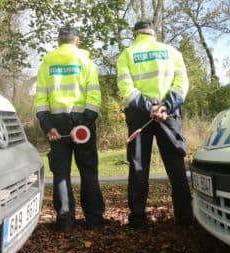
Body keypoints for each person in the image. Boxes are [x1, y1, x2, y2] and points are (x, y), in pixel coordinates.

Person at [116, 19, 193, 228]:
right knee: (176, 165)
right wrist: (166, 106)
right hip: (168, 115)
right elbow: (182, 84)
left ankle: (138, 220)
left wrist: (148, 106)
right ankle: (185, 218)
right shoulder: (172, 52)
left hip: (140, 115)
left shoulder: (127, 54)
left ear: (135, 34)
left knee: (139, 166)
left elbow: (126, 87)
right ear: (153, 34)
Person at [34, 26, 105, 231]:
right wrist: (85, 123)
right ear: (76, 41)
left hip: (56, 123)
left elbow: (40, 100)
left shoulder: (46, 63)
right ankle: (94, 220)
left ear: (59, 42)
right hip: (82, 122)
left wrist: (48, 127)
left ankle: (65, 221)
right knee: (89, 172)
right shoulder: (86, 62)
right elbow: (94, 97)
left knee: (61, 173)